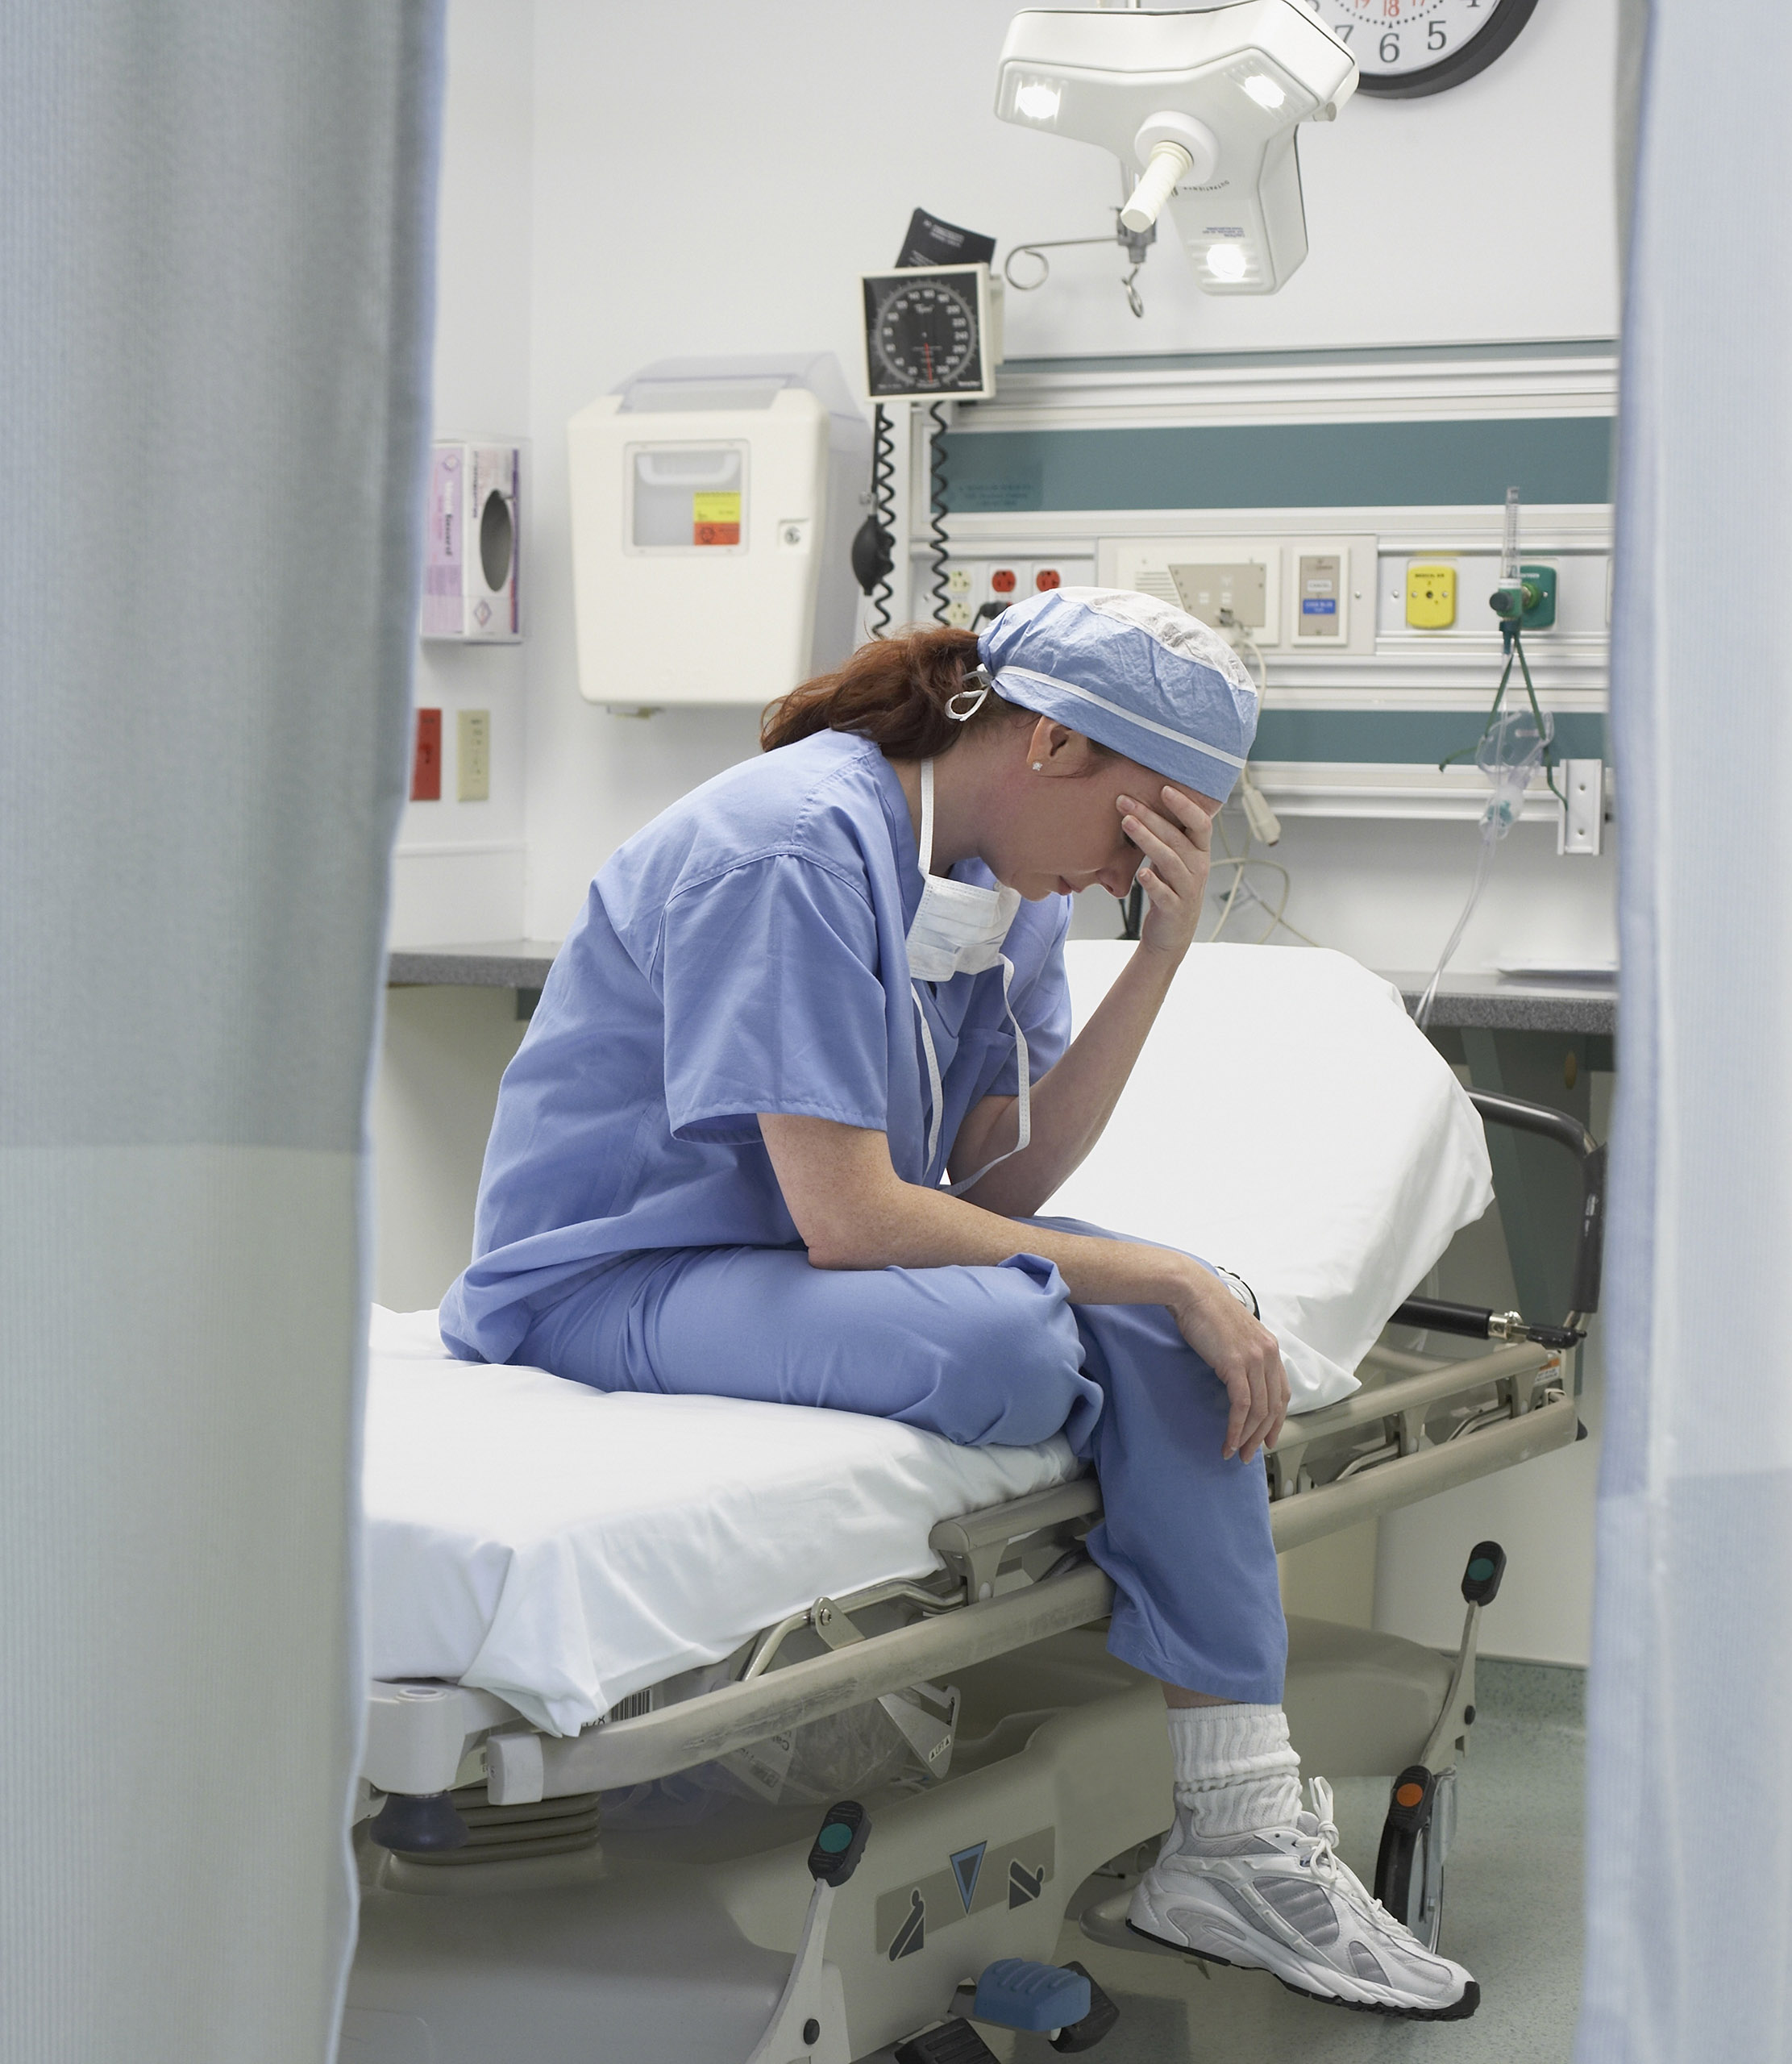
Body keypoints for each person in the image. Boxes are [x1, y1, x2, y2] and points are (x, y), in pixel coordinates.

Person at [437, 586, 1478, 2022]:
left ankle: (1235, 1835)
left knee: (1177, 1324)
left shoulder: (999, 889)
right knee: (1024, 1329)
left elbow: (1007, 1176)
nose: (1135, 873)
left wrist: (1161, 962)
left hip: (796, 1261)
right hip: (615, 1272)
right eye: (1141, 831)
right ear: (1050, 746)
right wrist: (1151, 1265)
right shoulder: (790, 846)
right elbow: (856, 1215)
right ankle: (1218, 1792)